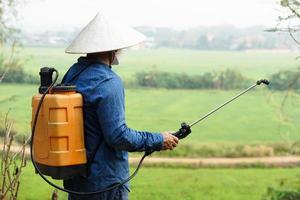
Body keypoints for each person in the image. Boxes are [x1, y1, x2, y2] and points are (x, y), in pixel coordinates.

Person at [62, 12, 179, 200]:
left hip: (78, 181)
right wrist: (158, 139)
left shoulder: (73, 74)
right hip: (106, 184)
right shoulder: (108, 81)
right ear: (112, 49)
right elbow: (118, 136)